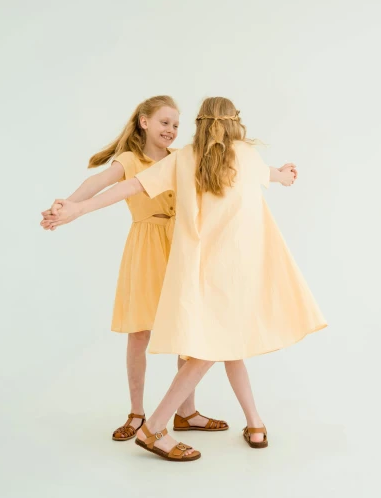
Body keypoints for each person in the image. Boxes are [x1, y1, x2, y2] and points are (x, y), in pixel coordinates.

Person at [43, 97, 326, 461]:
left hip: (199, 269)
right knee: (212, 349)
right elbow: (272, 174)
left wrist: (79, 209)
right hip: (238, 273)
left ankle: (253, 422)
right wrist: (285, 175)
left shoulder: (183, 158)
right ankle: (156, 426)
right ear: (235, 123)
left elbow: (131, 188)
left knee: (226, 346)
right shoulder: (245, 156)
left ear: (200, 123)